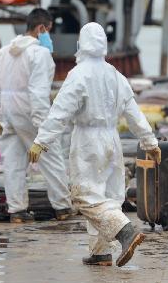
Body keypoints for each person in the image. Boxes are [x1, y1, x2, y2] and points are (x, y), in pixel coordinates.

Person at [30, 23, 160, 267]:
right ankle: (100, 252)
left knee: (85, 197)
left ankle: (125, 232)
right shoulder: (115, 74)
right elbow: (133, 113)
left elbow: (60, 112)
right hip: (112, 139)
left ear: (81, 44)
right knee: (107, 197)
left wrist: (41, 141)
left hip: (88, 142)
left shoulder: (79, 74)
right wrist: (149, 141)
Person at [0, 8, 72, 223]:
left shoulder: (3, 52)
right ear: (41, 28)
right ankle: (62, 207)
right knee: (51, 158)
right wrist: (43, 126)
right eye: (49, 32)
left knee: (13, 164)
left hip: (9, 114)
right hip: (30, 114)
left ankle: (16, 210)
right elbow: (38, 92)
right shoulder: (40, 54)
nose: (49, 38)